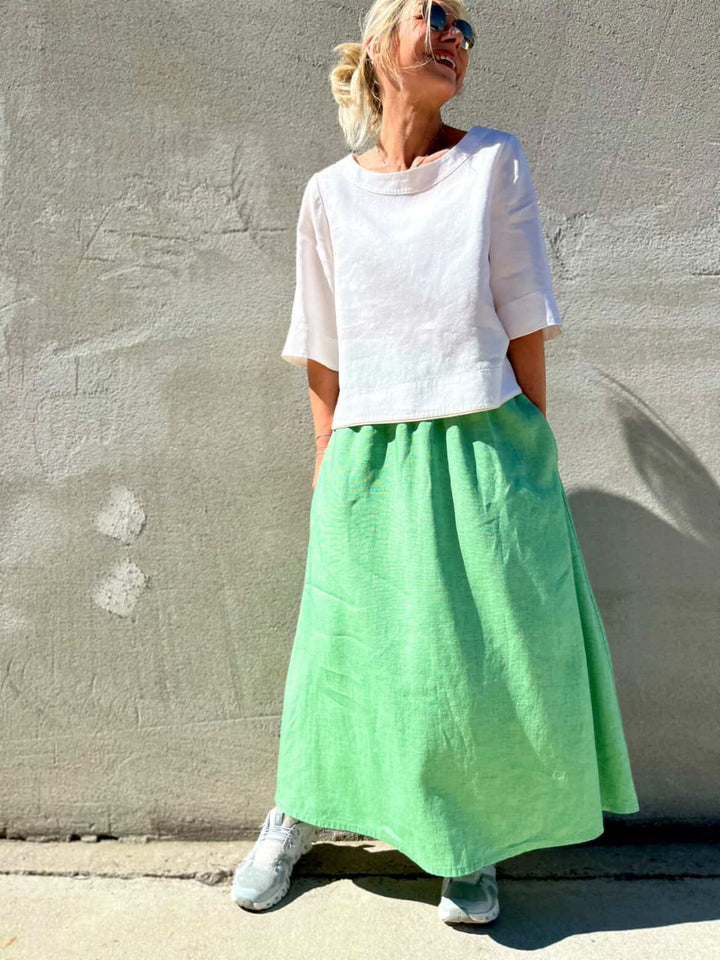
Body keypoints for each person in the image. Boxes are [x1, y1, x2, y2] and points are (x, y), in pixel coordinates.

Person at [232, 0, 639, 924]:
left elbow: (523, 311)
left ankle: (471, 838)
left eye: (464, 25)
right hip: (368, 449)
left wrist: (530, 439)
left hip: (486, 436)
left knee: (479, 655)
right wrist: (326, 458)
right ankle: (300, 812)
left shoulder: (493, 160)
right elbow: (322, 350)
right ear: (378, 45)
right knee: (346, 648)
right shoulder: (328, 194)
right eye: (433, 14)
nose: (454, 32)